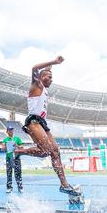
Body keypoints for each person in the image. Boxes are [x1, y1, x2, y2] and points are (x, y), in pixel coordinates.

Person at [16, 56, 81, 197]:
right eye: (49, 77)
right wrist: (54, 62)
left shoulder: (44, 88)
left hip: (43, 123)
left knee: (56, 151)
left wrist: (50, 69)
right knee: (46, 151)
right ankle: (18, 151)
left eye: (52, 77)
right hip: (34, 121)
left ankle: (64, 185)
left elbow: (44, 71)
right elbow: (34, 68)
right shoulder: (36, 85)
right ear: (41, 77)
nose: (52, 79)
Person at [2, 126, 24, 193]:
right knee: (9, 173)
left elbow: (22, 147)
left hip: (16, 157)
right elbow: (2, 148)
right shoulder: (5, 140)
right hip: (9, 158)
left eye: (12, 130)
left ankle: (20, 187)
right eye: (9, 130)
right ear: (7, 132)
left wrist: (16, 145)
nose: (11, 131)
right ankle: (9, 187)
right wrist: (5, 146)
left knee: (18, 173)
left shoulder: (17, 138)